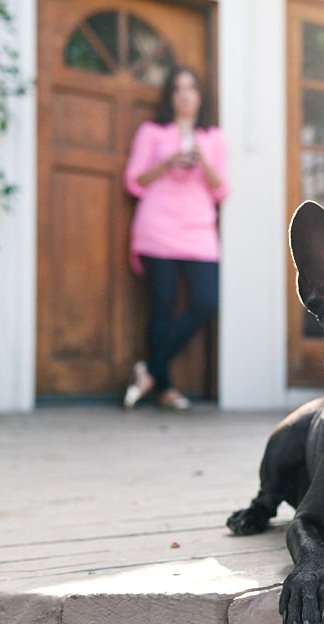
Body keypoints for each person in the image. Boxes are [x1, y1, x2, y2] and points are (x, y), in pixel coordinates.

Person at [122, 66, 228, 410]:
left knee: (205, 302)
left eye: (191, 88)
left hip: (198, 228)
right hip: (157, 227)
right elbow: (133, 182)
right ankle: (165, 388)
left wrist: (204, 163)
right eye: (178, 88)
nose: (185, 94)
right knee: (162, 306)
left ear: (200, 96)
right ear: (171, 96)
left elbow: (221, 189)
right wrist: (167, 163)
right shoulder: (153, 132)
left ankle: (148, 370)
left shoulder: (213, 138)